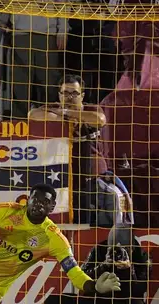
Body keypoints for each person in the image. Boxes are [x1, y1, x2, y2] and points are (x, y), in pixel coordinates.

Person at [28, 74, 109, 223]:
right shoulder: (51, 109)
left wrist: (67, 113)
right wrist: (63, 117)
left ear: (82, 96)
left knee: (90, 221)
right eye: (65, 93)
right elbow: (32, 115)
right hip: (61, 177)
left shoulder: (92, 109)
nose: (69, 97)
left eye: (74, 93)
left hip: (91, 176)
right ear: (59, 95)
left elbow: (100, 120)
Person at [45, 238, 150, 304]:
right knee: (53, 302)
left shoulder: (141, 255)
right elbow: (83, 276)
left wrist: (129, 270)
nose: (119, 251)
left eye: (126, 248)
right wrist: (103, 266)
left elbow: (141, 288)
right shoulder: (99, 249)